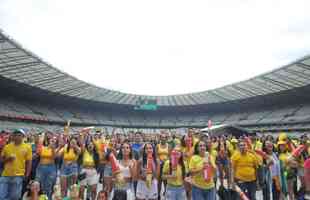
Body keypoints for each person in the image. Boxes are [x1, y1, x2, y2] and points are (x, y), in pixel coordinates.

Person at [0, 129, 32, 200]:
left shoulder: (27, 147)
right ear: (13, 136)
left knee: (15, 197)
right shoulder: (7, 147)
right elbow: (1, 161)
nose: (17, 137)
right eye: (15, 135)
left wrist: (27, 175)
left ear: (23, 136)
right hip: (5, 175)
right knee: (2, 196)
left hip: (18, 176)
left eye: (19, 135)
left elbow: (29, 162)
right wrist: (8, 159)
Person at [36, 135, 57, 199]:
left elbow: (54, 157)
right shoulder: (42, 147)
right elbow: (38, 153)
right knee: (41, 185)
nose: (51, 142)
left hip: (50, 168)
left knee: (49, 185)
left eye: (53, 141)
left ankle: (49, 198)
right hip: (41, 167)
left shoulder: (54, 149)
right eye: (50, 141)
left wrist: (53, 148)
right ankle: (42, 198)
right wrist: (40, 140)